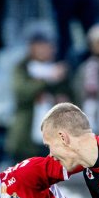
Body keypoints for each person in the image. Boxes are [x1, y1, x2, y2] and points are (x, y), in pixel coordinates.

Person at [6, 31, 70, 162]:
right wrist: (47, 79)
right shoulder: (22, 68)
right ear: (31, 48)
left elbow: (69, 95)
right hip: (26, 135)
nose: (45, 50)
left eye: (47, 46)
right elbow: (22, 92)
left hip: (53, 135)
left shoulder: (60, 68)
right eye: (40, 47)